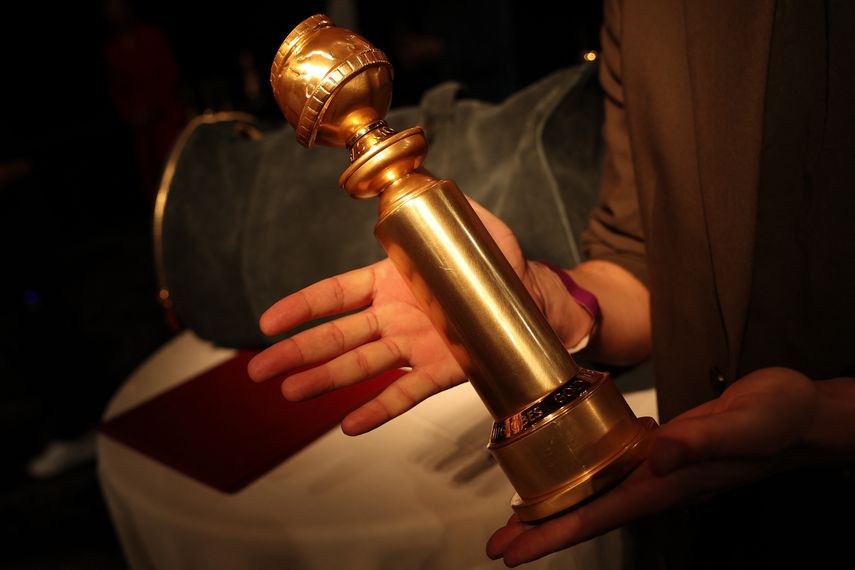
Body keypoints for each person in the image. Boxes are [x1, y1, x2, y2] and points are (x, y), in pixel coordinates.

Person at [248, 1, 855, 567]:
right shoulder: (643, 12)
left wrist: (826, 418)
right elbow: (639, 255)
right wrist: (546, 301)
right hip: (684, 512)